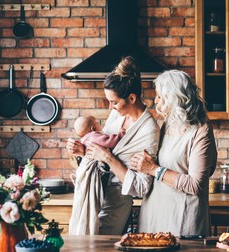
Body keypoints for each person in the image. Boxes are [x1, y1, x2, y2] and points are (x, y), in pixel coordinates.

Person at [66, 56, 160, 235]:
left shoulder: (149, 130)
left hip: (116, 204)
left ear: (131, 98)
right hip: (93, 195)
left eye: (114, 102)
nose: (110, 108)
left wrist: (108, 159)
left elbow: (141, 187)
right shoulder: (117, 116)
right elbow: (100, 152)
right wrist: (82, 151)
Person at [127, 69, 217, 237]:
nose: (156, 101)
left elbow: (195, 185)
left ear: (175, 99)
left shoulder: (201, 131)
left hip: (183, 219)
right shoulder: (167, 123)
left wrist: (154, 170)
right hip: (153, 215)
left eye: (160, 96)